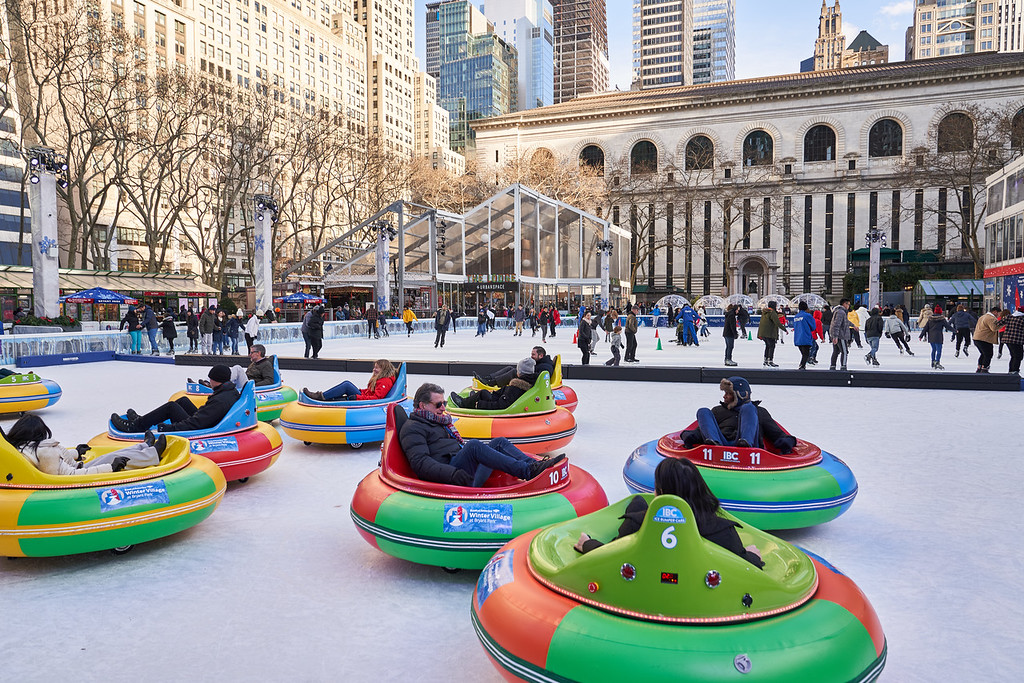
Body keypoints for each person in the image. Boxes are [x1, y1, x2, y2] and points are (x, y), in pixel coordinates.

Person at [573, 458, 764, 569]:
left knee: (637, 503)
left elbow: (610, 556)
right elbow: (746, 566)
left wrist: (587, 544)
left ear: (662, 492)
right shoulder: (722, 531)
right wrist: (753, 556)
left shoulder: (637, 524)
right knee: (638, 502)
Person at [399, 382, 565, 487]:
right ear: (422, 405)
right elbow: (421, 464)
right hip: (452, 476)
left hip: (458, 465)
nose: (443, 408)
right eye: (438, 404)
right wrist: (453, 474)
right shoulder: (413, 428)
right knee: (473, 446)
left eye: (444, 403)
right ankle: (527, 472)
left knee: (499, 442)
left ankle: (533, 466)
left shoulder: (438, 421)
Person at [7, 415, 165, 475]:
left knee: (110, 455)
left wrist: (76, 453)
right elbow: (71, 476)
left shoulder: (28, 447)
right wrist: (110, 468)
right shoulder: (45, 453)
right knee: (114, 458)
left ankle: (145, 447)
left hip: (78, 466)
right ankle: (152, 454)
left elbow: (59, 461)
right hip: (80, 474)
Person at [680, 377, 796, 455]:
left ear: (740, 395)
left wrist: (787, 442)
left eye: (728, 393)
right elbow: (703, 429)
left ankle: (745, 442)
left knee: (748, 408)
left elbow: (776, 433)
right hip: (721, 446)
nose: (724, 396)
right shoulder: (718, 411)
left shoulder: (758, 412)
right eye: (725, 393)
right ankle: (713, 444)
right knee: (703, 411)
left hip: (749, 452)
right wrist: (689, 436)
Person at [110, 365, 240, 433]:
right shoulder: (229, 391)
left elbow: (196, 424)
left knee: (171, 407)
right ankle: (143, 420)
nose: (209, 381)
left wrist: (167, 428)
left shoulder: (220, 400)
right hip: (207, 421)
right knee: (183, 401)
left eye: (210, 378)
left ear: (216, 380)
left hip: (202, 429)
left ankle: (135, 426)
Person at [451, 358, 535, 410]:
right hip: (499, 398)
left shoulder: (515, 388)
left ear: (519, 372)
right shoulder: (527, 381)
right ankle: (474, 398)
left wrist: (481, 404)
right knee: (484, 393)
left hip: (498, 403)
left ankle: (463, 403)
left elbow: (502, 405)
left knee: (482, 393)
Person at [303, 359, 397, 402]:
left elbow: (377, 398)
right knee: (346, 387)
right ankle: (325, 398)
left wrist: (357, 397)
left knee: (346, 385)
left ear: (383, 369)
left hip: (366, 401)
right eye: (374, 367)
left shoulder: (385, 381)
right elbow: (371, 392)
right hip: (364, 397)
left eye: (377, 368)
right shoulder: (381, 379)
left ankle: (320, 396)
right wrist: (361, 392)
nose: (374, 370)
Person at [192, 344, 276, 390]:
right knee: (223, 369)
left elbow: (269, 380)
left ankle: (215, 384)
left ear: (258, 353)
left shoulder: (266, 364)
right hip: (246, 383)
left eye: (251, 352)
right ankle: (207, 382)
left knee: (237, 368)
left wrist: (253, 385)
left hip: (249, 386)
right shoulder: (254, 363)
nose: (249, 354)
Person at [475, 346, 554, 388]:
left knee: (514, 372)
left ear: (541, 355)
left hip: (531, 383)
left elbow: (541, 378)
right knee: (510, 368)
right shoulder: (540, 362)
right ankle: (488, 378)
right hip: (529, 378)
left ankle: (490, 383)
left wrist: (525, 374)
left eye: (533, 354)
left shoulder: (546, 366)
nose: (531, 356)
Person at [919, 305, 954, 370]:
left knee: (933, 349)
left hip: (931, 337)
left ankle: (933, 362)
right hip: (938, 336)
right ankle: (937, 362)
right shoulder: (942, 319)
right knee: (939, 350)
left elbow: (926, 328)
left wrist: (921, 336)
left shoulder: (930, 319)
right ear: (940, 312)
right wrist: (955, 331)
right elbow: (948, 326)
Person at [973, 306, 1004, 373]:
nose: (999, 316)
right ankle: (984, 369)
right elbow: (994, 328)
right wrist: (1003, 324)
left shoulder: (983, 316)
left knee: (983, 354)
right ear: (995, 312)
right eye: (999, 313)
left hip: (977, 338)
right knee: (988, 354)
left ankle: (979, 367)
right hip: (984, 339)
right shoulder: (991, 318)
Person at [757, 301, 784, 367]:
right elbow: (777, 322)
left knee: (768, 346)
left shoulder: (765, 312)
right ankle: (770, 361)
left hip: (763, 332)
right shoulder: (772, 312)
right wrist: (784, 329)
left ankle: (766, 360)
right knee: (772, 346)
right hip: (769, 332)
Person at [829, 298, 853, 371]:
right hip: (841, 335)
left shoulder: (840, 311)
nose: (849, 306)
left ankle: (832, 366)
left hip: (837, 334)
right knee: (844, 351)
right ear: (844, 304)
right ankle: (843, 366)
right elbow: (836, 324)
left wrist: (853, 325)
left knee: (836, 351)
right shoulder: (841, 312)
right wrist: (835, 336)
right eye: (848, 304)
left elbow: (845, 321)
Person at [1000, 305, 1024, 375]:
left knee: (1013, 355)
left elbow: (999, 323)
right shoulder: (1022, 319)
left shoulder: (1009, 317)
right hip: (1017, 340)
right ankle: (1014, 371)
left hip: (1007, 339)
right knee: (1018, 356)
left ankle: (1011, 370)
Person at [792, 301, 816, 370]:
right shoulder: (807, 316)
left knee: (804, 354)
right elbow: (813, 327)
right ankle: (802, 366)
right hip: (805, 337)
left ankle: (802, 366)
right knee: (806, 354)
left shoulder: (796, 316)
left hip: (798, 338)